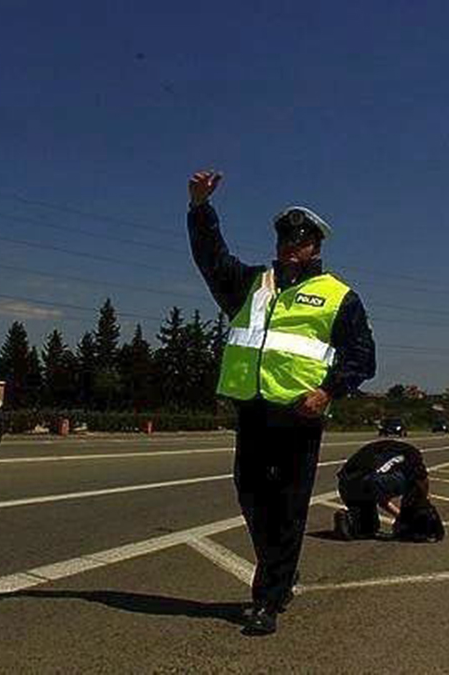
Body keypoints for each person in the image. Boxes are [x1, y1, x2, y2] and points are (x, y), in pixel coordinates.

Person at [187, 169, 376, 636]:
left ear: (316, 246)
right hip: (252, 410)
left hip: (299, 416)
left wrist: (328, 391)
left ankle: (268, 599)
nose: (290, 245)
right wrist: (199, 209)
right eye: (284, 238)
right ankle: (281, 572)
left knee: (288, 506)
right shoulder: (253, 284)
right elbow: (211, 260)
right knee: (252, 498)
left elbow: (363, 358)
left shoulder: (338, 296)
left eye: (300, 239)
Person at [334, 439, 444, 543]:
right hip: (371, 482)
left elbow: (381, 498)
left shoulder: (383, 452)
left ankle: (350, 520)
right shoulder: (412, 455)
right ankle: (413, 524)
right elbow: (422, 480)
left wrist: (400, 517)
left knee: (368, 528)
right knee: (415, 484)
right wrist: (423, 503)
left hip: (346, 484)